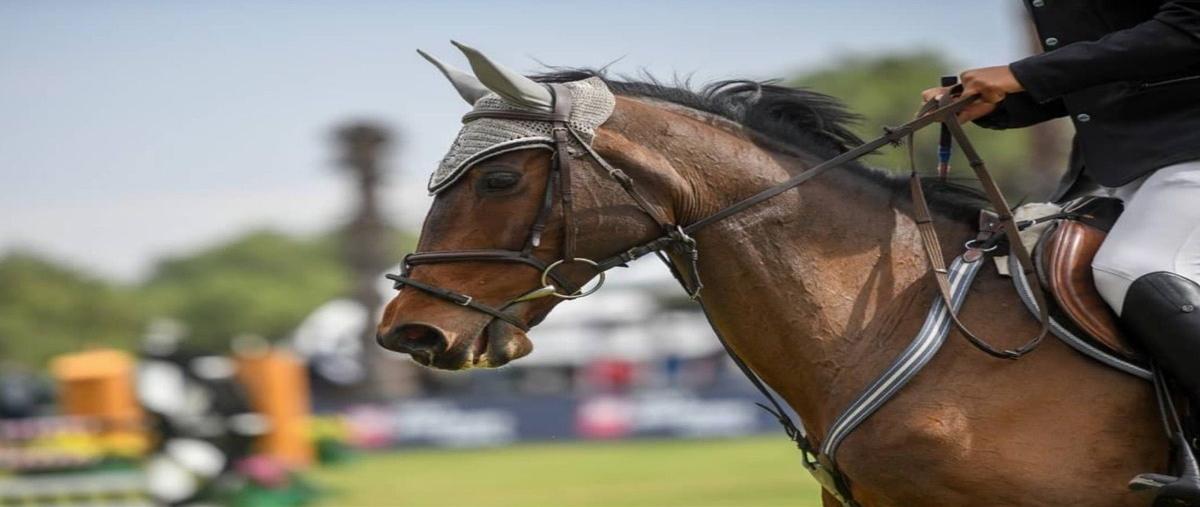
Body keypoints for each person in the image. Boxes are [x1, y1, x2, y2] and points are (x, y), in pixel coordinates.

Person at [921, 1, 1200, 502]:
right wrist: (1005, 101)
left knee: (1134, 266)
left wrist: (1022, 74)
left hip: (1189, 152)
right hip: (1130, 164)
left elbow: (1191, 27)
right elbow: (1123, 71)